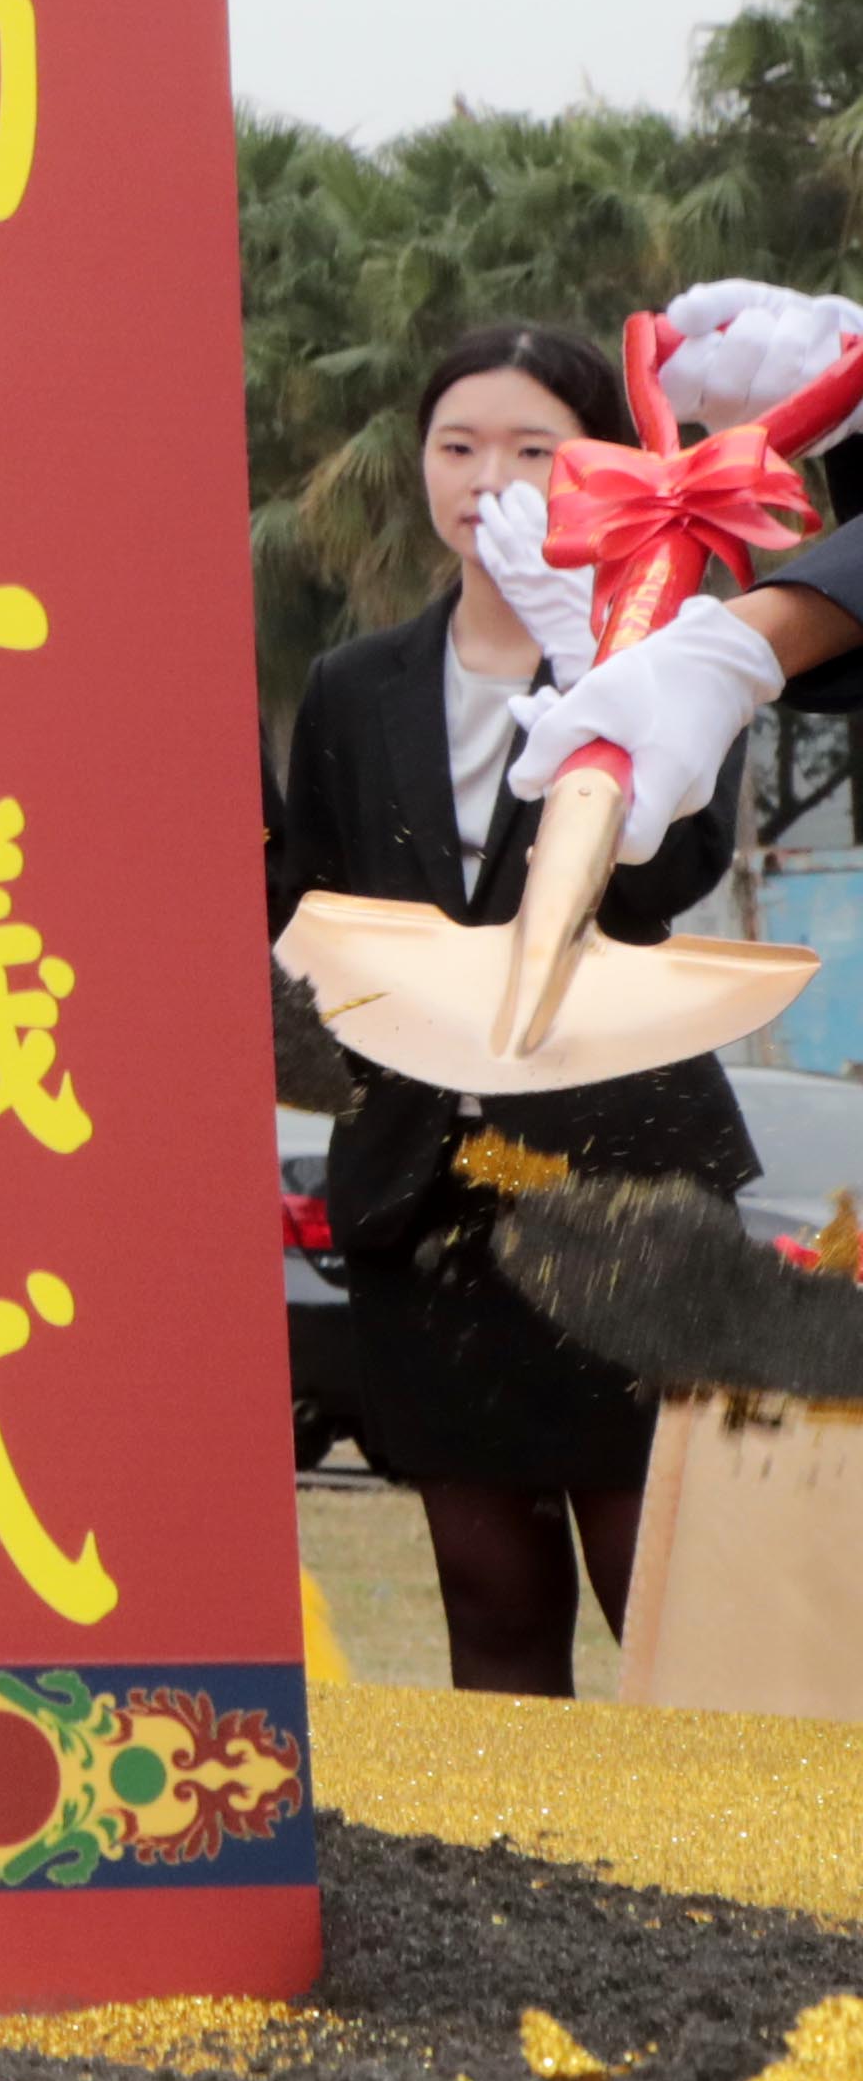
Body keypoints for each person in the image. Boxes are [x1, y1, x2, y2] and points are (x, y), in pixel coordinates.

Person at [265, 321, 761, 1695]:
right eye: (458, 446)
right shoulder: (352, 689)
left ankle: (713, 1896)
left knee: (657, 1600)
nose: (489, 479)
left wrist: (598, 671)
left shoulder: (671, 652)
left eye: (533, 450)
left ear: (596, 465)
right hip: (424, 1205)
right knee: (487, 1598)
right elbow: (311, 912)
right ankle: (515, 1887)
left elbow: (670, 875)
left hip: (625, 1194)